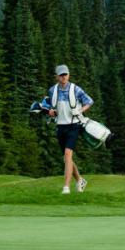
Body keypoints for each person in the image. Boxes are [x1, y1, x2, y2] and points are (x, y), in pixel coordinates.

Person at [37, 64, 94, 194]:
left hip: (74, 126)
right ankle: (80, 180)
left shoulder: (76, 89)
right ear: (57, 76)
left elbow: (89, 101)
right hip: (60, 126)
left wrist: (80, 110)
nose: (64, 77)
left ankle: (66, 187)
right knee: (66, 158)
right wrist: (50, 111)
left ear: (69, 75)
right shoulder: (53, 90)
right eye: (61, 75)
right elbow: (49, 105)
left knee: (68, 154)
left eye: (65, 74)